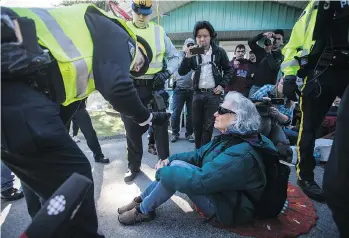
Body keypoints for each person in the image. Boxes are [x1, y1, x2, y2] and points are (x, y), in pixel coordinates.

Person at [1, 4, 168, 237]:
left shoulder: (81, 58)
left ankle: (44, 227)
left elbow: (64, 111)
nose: (135, 68)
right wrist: (147, 117)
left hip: (16, 86)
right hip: (11, 82)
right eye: (139, 63)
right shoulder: (119, 33)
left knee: (40, 170)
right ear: (138, 47)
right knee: (75, 176)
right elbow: (118, 87)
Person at [117, 92, 274, 226]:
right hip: (224, 194)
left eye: (221, 110)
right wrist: (169, 160)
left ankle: (143, 210)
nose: (215, 113)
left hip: (230, 209)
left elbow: (201, 181)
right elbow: (198, 156)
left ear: (238, 117)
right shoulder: (233, 137)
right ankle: (141, 201)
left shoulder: (241, 154)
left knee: (174, 173)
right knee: (175, 166)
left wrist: (163, 172)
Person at [281, 0, 349, 203]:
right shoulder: (315, 6)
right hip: (321, 72)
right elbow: (293, 45)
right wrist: (289, 76)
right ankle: (306, 177)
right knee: (308, 127)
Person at [122, 0, 180, 182]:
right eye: (138, 12)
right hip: (131, 87)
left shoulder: (159, 31)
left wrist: (167, 72)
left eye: (145, 13)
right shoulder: (122, 29)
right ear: (132, 10)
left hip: (155, 87)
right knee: (131, 130)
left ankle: (164, 165)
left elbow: (175, 56)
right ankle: (134, 167)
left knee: (161, 127)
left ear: (151, 12)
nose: (141, 16)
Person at [178, 21, 233, 148]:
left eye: (205, 36)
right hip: (196, 94)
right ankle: (198, 152)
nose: (202, 39)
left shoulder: (219, 52)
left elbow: (229, 70)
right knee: (196, 125)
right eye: (199, 36)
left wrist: (222, 85)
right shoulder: (193, 52)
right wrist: (186, 56)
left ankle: (205, 152)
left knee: (208, 127)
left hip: (213, 94)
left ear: (211, 36)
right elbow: (182, 71)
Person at [250, 77, 294, 162]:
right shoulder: (268, 89)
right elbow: (250, 102)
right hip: (260, 119)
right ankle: (255, 148)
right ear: (278, 83)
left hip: (276, 124)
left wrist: (278, 114)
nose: (283, 87)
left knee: (282, 144)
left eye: (286, 85)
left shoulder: (290, 98)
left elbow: (287, 121)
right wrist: (263, 102)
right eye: (282, 83)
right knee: (266, 125)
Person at [67, 98, 110, 163]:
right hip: (61, 108)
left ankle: (99, 156)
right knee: (62, 135)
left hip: (78, 106)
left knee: (90, 133)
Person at [170, 38, 195, 143]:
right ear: (184, 46)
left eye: (192, 45)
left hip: (192, 91)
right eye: (188, 45)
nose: (190, 47)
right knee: (176, 113)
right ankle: (175, 134)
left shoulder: (197, 57)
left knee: (191, 114)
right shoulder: (179, 56)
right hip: (179, 90)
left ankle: (189, 134)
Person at [248, 30, 284, 98]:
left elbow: (274, 67)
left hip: (269, 89)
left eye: (278, 39)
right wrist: (263, 34)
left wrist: (268, 53)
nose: (275, 41)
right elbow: (250, 42)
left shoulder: (281, 56)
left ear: (282, 41)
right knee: (250, 107)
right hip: (256, 86)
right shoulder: (261, 51)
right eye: (274, 38)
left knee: (267, 108)